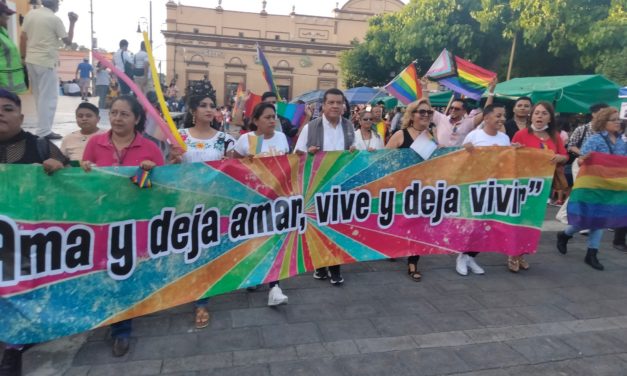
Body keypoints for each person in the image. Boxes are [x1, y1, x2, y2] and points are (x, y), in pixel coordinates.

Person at [81, 95, 164, 357]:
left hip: (133, 223)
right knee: (103, 272)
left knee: (123, 272)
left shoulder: (149, 148)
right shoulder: (95, 143)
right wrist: (83, 170)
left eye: (124, 114)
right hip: (101, 221)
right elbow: (84, 185)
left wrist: (147, 174)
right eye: (114, 113)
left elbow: (158, 192)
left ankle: (121, 329)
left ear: (137, 119)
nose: (117, 118)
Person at [0, 89, 67, 376]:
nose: (1, 113)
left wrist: (59, 168)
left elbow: (73, 179)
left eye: (7, 108)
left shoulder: (39, 147)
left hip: (25, 244)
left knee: (20, 293)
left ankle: (13, 351)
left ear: (21, 115)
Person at [169, 94, 235, 329]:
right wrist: (172, 160)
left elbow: (236, 174)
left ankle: (201, 302)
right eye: (203, 106)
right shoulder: (179, 137)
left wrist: (232, 164)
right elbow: (169, 170)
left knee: (205, 254)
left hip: (213, 208)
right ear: (193, 111)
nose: (209, 110)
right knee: (188, 253)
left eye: (212, 106)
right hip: (185, 205)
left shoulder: (226, 140)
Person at [294, 88, 355, 286]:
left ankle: (335, 267)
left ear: (343, 106)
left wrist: (354, 151)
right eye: (331, 102)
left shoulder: (348, 127)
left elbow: (354, 152)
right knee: (319, 226)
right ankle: (320, 266)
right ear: (323, 106)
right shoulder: (310, 128)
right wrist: (308, 153)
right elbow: (296, 154)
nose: (336, 106)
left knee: (337, 225)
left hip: (340, 185)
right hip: (317, 185)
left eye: (339, 103)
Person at [232, 102, 290, 306]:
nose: (272, 120)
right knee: (255, 239)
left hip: (277, 198)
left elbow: (288, 163)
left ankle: (274, 286)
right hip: (253, 199)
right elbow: (232, 161)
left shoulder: (281, 138)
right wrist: (246, 162)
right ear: (255, 120)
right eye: (267, 117)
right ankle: (254, 275)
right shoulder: (246, 139)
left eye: (274, 116)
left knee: (275, 240)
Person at [557, 107, 626, 270]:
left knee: (598, 219)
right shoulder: (595, 140)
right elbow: (581, 162)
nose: (618, 122)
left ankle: (573, 240)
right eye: (614, 119)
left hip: (610, 187)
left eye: (619, 119)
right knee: (594, 218)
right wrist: (585, 159)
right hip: (594, 185)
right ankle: (587, 250)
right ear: (603, 122)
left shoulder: (622, 142)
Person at [511, 101, 568, 273]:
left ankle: (522, 254)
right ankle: (512, 254)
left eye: (544, 113)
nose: (539, 116)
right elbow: (510, 158)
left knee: (532, 221)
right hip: (522, 186)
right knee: (518, 220)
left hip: (542, 188)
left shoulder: (555, 137)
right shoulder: (521, 134)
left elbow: (565, 156)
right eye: (536, 113)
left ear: (550, 117)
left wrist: (560, 157)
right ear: (531, 116)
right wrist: (515, 150)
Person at [385, 98, 437, 281]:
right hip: (401, 189)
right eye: (421, 112)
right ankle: (394, 246)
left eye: (429, 112)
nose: (425, 115)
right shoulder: (401, 134)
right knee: (400, 222)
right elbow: (385, 158)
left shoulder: (431, 135)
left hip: (422, 190)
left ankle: (413, 262)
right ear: (412, 114)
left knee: (419, 225)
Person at [457, 103, 512, 276]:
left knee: (488, 224)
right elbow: (458, 161)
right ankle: (462, 256)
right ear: (486, 117)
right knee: (473, 224)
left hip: (495, 188)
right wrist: (466, 151)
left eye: (503, 115)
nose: (501, 119)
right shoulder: (474, 135)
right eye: (498, 115)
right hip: (474, 187)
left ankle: (471, 257)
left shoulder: (504, 139)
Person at [20, 0, 78, 140]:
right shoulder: (54, 19)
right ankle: (44, 131)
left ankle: (42, 129)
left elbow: (23, 37)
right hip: (46, 61)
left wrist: (23, 57)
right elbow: (68, 41)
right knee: (49, 98)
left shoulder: (30, 14)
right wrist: (72, 22)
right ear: (55, 5)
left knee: (39, 97)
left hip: (31, 60)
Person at [432, 80, 496, 147]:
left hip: (458, 156)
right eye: (451, 108)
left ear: (464, 111)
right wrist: (424, 88)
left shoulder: (469, 123)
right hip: (440, 156)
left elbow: (486, 112)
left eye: (457, 109)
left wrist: (491, 92)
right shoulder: (441, 118)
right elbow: (426, 107)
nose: (453, 110)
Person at [0, 2, 26, 94]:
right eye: (5, 14)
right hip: (3, 84)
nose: (8, 17)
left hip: (11, 85)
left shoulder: (3, 32)